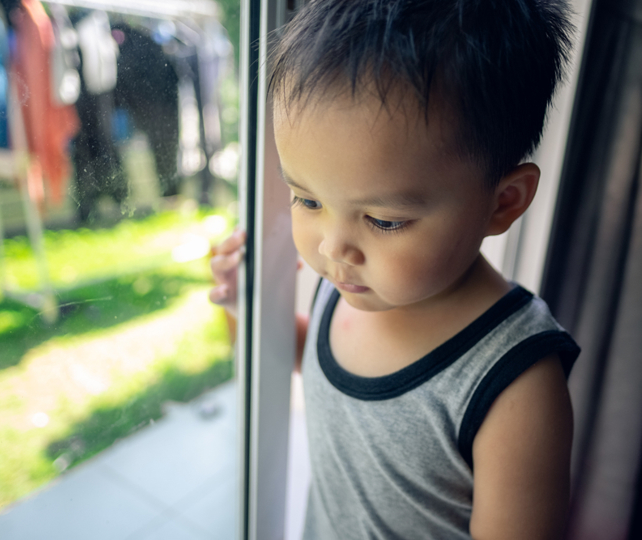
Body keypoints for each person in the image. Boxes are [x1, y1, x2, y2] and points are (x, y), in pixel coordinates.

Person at [210, 1, 580, 538]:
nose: (334, 247)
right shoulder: (351, 285)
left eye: (383, 221)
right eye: (306, 199)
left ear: (503, 203)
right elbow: (309, 363)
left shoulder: (515, 383)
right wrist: (243, 308)